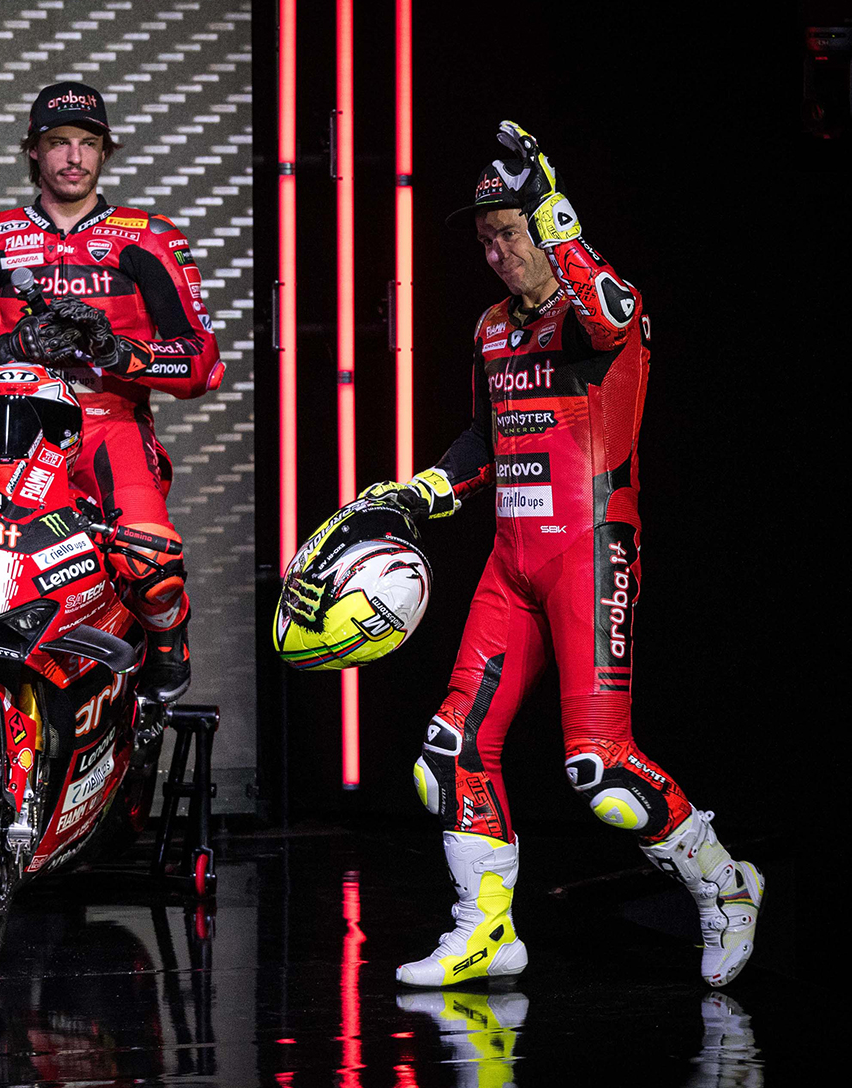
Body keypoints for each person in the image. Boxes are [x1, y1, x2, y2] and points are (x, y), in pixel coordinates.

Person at [364, 121, 763, 988]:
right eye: (485, 241)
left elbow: (611, 319)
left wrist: (553, 213)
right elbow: (482, 438)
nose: (497, 255)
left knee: (601, 772)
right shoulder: (489, 328)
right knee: (450, 750)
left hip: (590, 553)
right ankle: (485, 931)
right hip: (511, 563)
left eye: (509, 234)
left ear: (545, 226)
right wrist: (419, 490)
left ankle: (727, 884)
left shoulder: (600, 305)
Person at [0, 82, 224, 702]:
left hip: (108, 424)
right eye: (59, 142)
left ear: (105, 151)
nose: (74, 157)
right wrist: (9, 349)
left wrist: (117, 353)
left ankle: (167, 644)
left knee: (151, 563)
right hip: (3, 434)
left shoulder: (148, 236)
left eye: (87, 142)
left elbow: (201, 365)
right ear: (34, 151)